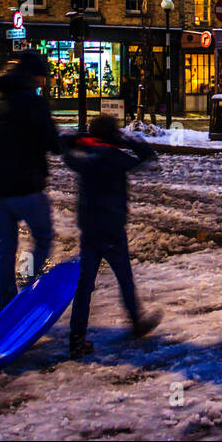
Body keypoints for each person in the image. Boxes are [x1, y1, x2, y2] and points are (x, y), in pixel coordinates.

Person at [63, 115, 162, 358]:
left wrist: (79, 139)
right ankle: (136, 321)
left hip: (89, 229)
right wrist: (130, 139)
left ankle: (77, 338)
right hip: (113, 229)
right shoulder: (117, 158)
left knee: (84, 286)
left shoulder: (84, 157)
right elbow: (150, 160)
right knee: (124, 278)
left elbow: (64, 147)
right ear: (113, 135)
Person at [0, 50, 60, 310]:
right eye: (42, 77)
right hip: (26, 184)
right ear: (33, 76)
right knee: (43, 236)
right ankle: (28, 285)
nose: (44, 82)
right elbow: (52, 141)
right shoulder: (33, 102)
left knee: (6, 247)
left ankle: (4, 301)